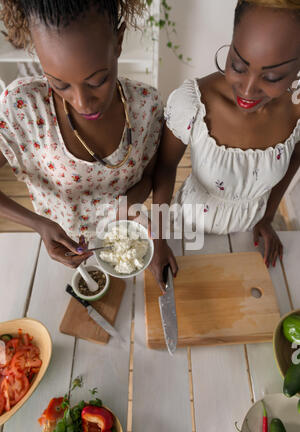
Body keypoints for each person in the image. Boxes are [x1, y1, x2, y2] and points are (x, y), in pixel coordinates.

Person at [150, 0, 300, 292]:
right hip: (187, 229)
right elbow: (165, 168)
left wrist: (268, 218)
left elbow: (294, 160)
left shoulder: (297, 110)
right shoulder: (193, 103)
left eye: (271, 78)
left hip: (251, 233)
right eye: (238, 65)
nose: (246, 90)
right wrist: (157, 239)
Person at [0, 0, 163, 268]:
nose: (82, 103)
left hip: (123, 237)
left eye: (97, 81)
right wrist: (39, 225)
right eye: (59, 84)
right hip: (61, 241)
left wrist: (125, 211)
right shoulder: (24, 108)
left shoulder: (146, 105)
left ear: (119, 41)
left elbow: (149, 176)